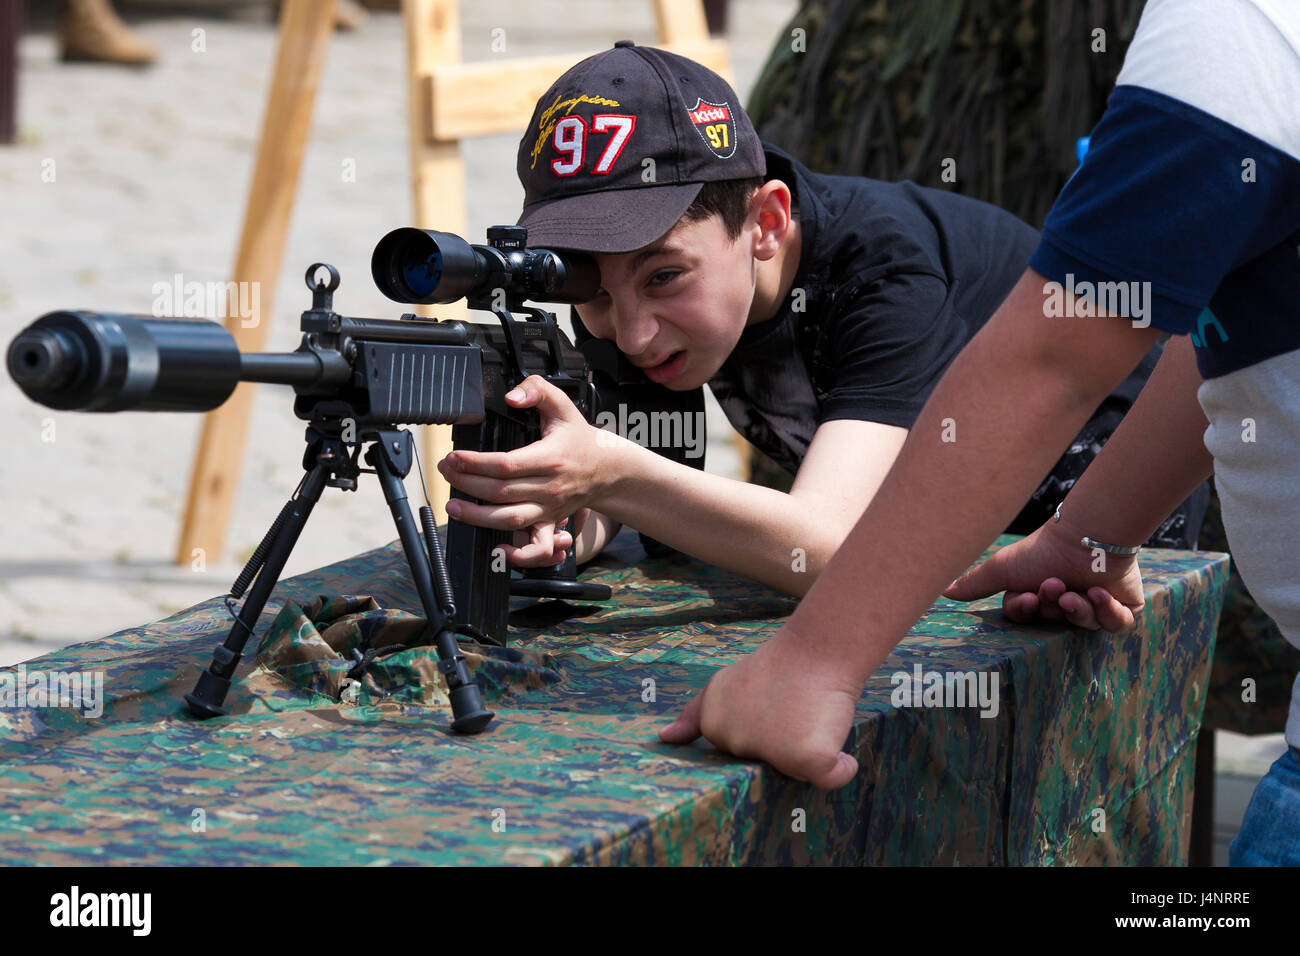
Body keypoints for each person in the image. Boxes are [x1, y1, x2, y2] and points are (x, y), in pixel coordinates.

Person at [652, 0, 1300, 866]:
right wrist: (1088, 535)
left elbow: (1057, 354)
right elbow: (1229, 318)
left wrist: (813, 663)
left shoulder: (1240, 26)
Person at [435, 40, 1205, 597]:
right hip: (950, 558)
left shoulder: (885, 272)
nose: (633, 333)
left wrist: (607, 472)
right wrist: (567, 523)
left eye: (665, 277)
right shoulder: (642, 306)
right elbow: (643, 475)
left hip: (1114, 532)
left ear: (765, 224)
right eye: (591, 292)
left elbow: (836, 548)